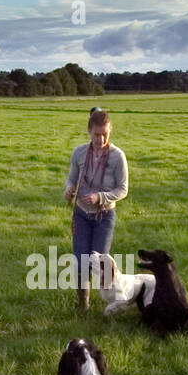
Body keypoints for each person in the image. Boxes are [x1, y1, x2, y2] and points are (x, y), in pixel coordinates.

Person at [63, 108, 128, 311]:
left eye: (105, 134)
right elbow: (71, 178)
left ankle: (116, 301)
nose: (101, 139)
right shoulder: (79, 153)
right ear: (89, 131)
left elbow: (123, 189)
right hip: (81, 215)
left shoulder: (118, 157)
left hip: (105, 216)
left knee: (98, 262)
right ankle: (83, 304)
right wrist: (68, 190)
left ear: (110, 131)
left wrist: (100, 197)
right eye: (96, 134)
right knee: (81, 261)